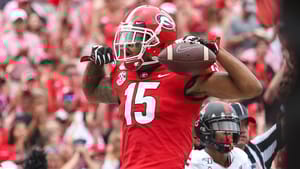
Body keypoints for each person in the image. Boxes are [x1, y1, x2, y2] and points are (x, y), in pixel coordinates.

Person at [81, 5, 262, 169]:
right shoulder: (125, 74)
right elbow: (92, 92)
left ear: (158, 42)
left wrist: (215, 50)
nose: (127, 46)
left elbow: (251, 88)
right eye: (126, 38)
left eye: (135, 40)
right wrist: (94, 64)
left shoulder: (182, 74)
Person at [185, 101, 252, 169]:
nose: (228, 131)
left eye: (231, 126)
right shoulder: (195, 161)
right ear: (205, 130)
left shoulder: (241, 157)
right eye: (221, 126)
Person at [231, 102, 285, 169]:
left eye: (245, 124)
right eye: (238, 125)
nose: (243, 130)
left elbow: (284, 125)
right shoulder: (217, 159)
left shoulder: (258, 147)